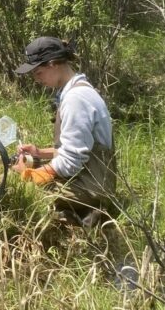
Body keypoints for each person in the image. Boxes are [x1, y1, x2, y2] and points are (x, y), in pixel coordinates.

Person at [12, 36, 118, 217]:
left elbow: (70, 162)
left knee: (13, 187)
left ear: (53, 64)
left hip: (91, 186)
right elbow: (79, 149)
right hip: (89, 177)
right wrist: (39, 153)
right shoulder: (76, 90)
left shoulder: (76, 99)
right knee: (16, 172)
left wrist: (29, 176)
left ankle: (82, 217)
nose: (37, 80)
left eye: (38, 73)